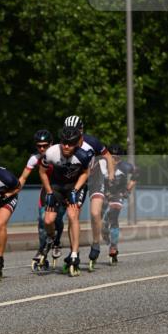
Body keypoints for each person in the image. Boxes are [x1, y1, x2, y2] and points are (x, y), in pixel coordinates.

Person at [38, 122, 106, 276]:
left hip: (75, 186)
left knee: (72, 215)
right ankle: (51, 238)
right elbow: (42, 172)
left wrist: (76, 190)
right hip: (56, 186)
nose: (66, 146)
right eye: (64, 143)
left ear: (76, 144)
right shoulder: (51, 152)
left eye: (70, 144)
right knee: (48, 220)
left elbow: (86, 173)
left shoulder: (84, 155)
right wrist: (49, 192)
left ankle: (74, 253)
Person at [62, 115, 114, 268]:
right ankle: (74, 251)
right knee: (72, 215)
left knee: (95, 213)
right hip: (78, 180)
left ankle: (96, 243)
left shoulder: (92, 142)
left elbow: (108, 156)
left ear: (81, 130)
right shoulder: (64, 145)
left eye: (75, 131)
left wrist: (111, 174)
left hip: (95, 178)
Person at [18, 129, 58, 269]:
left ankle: (57, 242)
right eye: (39, 146)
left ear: (51, 144)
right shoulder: (34, 158)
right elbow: (23, 177)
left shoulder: (59, 153)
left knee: (58, 219)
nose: (41, 149)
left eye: (45, 145)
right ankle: (43, 247)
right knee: (42, 221)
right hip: (47, 191)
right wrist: (13, 191)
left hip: (62, 189)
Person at [99, 144, 139, 263]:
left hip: (118, 194)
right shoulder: (102, 165)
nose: (114, 160)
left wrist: (128, 188)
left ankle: (113, 247)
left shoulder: (125, 166)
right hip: (104, 194)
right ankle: (105, 231)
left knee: (113, 217)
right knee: (102, 223)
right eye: (112, 157)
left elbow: (137, 173)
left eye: (117, 158)